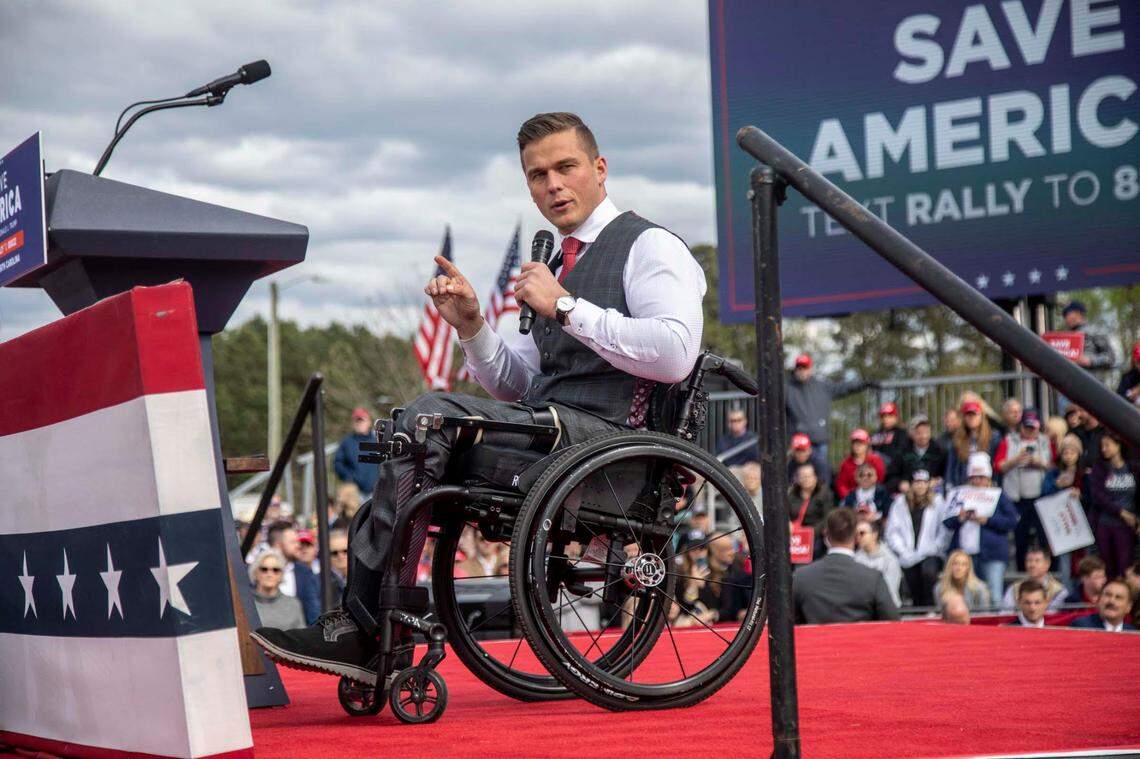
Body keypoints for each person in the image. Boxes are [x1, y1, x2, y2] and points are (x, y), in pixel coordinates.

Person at [251, 112, 708, 683]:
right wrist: (471, 325)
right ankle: (372, 632)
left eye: (565, 167)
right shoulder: (556, 264)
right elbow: (520, 386)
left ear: (600, 168)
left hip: (616, 447)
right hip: (555, 433)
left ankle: (365, 632)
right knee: (410, 444)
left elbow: (675, 353)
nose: (553, 185)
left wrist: (565, 307)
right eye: (537, 175)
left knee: (429, 417)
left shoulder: (650, 246)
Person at [792, 508, 900, 624]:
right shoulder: (873, 578)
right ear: (855, 536)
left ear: (826, 535)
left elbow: (789, 622)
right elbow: (892, 621)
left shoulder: (801, 577)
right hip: (860, 635)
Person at [942, 452, 1019, 604]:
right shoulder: (959, 494)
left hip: (992, 554)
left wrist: (987, 520)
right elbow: (947, 522)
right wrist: (960, 518)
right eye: (974, 477)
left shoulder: (999, 495)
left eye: (981, 477)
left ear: (988, 478)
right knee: (965, 597)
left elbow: (1012, 521)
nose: (977, 481)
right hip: (964, 554)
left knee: (994, 596)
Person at [784, 353, 871, 483]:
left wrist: (865, 383)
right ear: (795, 369)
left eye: (805, 367)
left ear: (810, 368)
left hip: (820, 440)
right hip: (799, 443)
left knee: (822, 476)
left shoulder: (822, 386)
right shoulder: (787, 387)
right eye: (799, 367)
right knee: (797, 477)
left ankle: (823, 495)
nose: (802, 370)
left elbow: (844, 387)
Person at [994, 409, 1054, 571]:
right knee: (1020, 537)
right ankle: (1022, 570)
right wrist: (1016, 459)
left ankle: (1048, 569)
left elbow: (1055, 465)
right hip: (1017, 498)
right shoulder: (1008, 441)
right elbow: (999, 466)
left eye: (1033, 427)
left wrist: (1038, 463)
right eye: (1027, 427)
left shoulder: (1045, 441)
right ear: (1020, 426)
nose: (1030, 431)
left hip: (1041, 496)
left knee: (1044, 537)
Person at [885, 470, 948, 607]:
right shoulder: (900, 503)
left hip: (932, 552)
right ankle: (918, 608)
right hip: (908, 553)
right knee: (911, 578)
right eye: (917, 482)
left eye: (924, 482)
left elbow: (944, 529)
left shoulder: (938, 501)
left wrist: (936, 546)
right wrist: (902, 550)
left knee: (928, 573)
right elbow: (892, 531)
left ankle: (930, 608)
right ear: (911, 484)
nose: (920, 486)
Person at [1087, 433, 1140, 579]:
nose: (1104, 449)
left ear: (1118, 445)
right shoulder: (1100, 468)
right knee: (1107, 566)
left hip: (1128, 525)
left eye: (1107, 445)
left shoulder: (1133, 467)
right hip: (1105, 523)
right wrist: (1121, 512)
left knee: (1126, 565)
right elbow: (1098, 496)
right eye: (1102, 446)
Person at [945, 400, 1001, 488]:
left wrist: (995, 483)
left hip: (986, 487)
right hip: (963, 485)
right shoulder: (957, 439)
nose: (971, 418)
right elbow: (951, 466)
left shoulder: (993, 437)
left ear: (981, 416)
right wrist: (949, 485)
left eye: (974, 414)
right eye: (968, 415)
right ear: (964, 418)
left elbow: (996, 462)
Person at [786, 462, 835, 558]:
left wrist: (811, 532)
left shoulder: (824, 493)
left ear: (815, 477)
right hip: (794, 532)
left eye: (809, 476)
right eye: (802, 476)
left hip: (815, 533)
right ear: (797, 479)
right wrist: (788, 523)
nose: (806, 479)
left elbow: (827, 517)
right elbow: (785, 512)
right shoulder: (792, 493)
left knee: (816, 547)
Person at [250, 550, 306, 631]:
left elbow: (300, 635)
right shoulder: (245, 604)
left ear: (281, 575)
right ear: (255, 573)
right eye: (264, 569)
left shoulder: (293, 604)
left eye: (275, 570)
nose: (270, 574)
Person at [1059, 300, 1116, 380]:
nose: (1067, 318)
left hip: (1091, 382)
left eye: (1069, 313)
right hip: (1069, 382)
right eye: (1065, 315)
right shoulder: (1065, 336)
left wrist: (1090, 361)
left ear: (1079, 313)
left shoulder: (1095, 330)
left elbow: (1110, 357)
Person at [333, 407, 381, 500]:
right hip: (355, 493)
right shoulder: (347, 442)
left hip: (376, 491)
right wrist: (350, 477)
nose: (359, 424)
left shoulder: (378, 440)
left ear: (369, 422)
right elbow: (338, 464)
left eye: (362, 420)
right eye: (357, 421)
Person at [1000, 546, 1066, 612]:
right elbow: (1005, 613)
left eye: (1037, 561)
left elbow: (1053, 615)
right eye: (1029, 561)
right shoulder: (1014, 588)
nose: (1032, 565)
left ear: (1047, 564)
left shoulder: (1059, 591)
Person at [854, 519, 903, 607]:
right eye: (856, 534)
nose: (858, 537)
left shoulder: (890, 559)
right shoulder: (855, 558)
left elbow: (889, 590)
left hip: (887, 607)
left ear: (874, 535)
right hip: (864, 607)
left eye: (862, 533)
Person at [900, 414, 947, 494]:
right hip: (909, 493)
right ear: (912, 433)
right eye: (919, 433)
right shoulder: (903, 452)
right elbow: (892, 476)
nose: (923, 436)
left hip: (932, 492)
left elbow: (947, 474)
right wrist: (900, 483)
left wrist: (938, 480)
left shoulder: (940, 452)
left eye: (926, 432)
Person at [1069, 579, 1136, 632]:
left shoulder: (1133, 633)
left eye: (1118, 597)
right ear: (1099, 600)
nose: (1111, 601)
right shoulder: (1082, 627)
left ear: (1129, 607)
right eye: (1108, 595)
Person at [835, 429, 885, 499]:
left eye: (861, 443)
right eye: (854, 443)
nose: (857, 446)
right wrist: (849, 498)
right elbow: (841, 484)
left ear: (867, 445)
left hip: (874, 496)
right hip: (852, 498)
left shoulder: (876, 461)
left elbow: (880, 480)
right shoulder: (846, 463)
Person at [870, 401, 908, 493]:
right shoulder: (875, 435)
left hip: (893, 470)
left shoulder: (901, 433)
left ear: (896, 417)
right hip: (875, 471)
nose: (886, 419)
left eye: (889, 416)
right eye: (883, 416)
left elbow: (900, 454)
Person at [1118, 342, 1140, 409]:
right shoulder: (1128, 378)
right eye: (1139, 361)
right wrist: (1133, 393)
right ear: (1134, 362)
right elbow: (1118, 400)